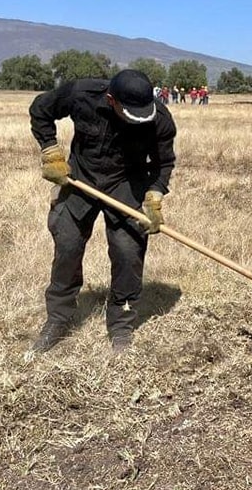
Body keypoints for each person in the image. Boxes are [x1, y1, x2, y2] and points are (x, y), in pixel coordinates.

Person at [28, 69, 177, 353]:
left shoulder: (159, 118)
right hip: (81, 178)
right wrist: (51, 152)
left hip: (127, 184)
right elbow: (40, 110)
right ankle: (58, 319)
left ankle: (121, 324)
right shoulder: (81, 93)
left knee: (128, 251)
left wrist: (154, 196)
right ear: (111, 99)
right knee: (68, 246)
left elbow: (163, 163)